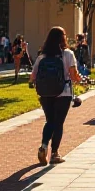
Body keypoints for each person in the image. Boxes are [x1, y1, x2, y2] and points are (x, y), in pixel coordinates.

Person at [30, 26, 81, 165]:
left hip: (45, 93)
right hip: (63, 93)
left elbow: (32, 77)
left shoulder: (42, 56)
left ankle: (44, 145)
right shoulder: (68, 54)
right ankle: (54, 154)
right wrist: (79, 79)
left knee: (49, 121)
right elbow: (73, 75)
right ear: (63, 38)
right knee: (58, 123)